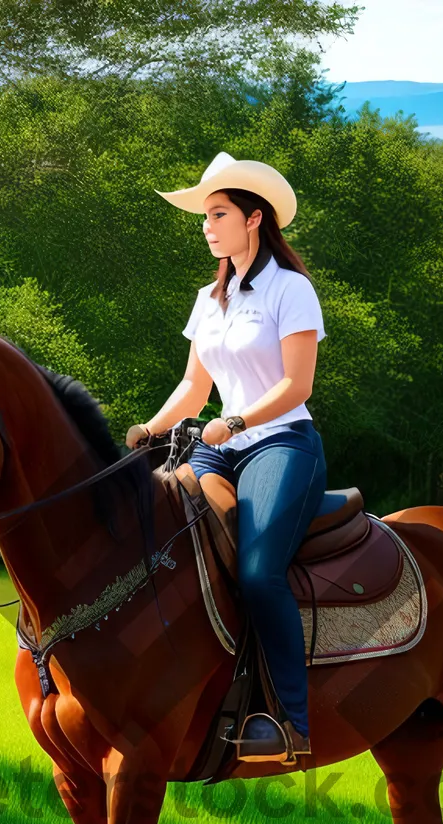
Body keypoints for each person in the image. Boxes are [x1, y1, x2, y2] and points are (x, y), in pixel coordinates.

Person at [125, 152, 328, 764]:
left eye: (219, 213)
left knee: (260, 571)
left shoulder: (291, 290)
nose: (207, 225)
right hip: (218, 447)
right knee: (161, 539)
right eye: (205, 216)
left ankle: (291, 721)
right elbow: (193, 386)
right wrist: (146, 430)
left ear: (254, 219)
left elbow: (298, 386)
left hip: (282, 442)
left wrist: (237, 420)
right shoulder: (208, 298)